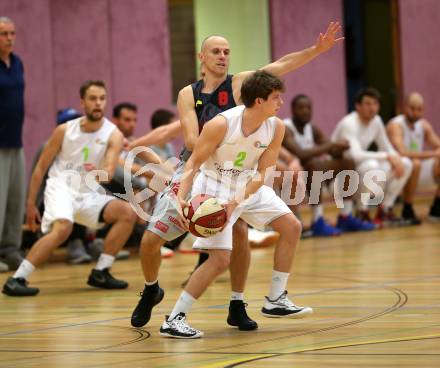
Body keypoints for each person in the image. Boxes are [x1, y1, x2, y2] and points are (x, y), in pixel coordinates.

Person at [131, 22, 343, 331]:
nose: (222, 56)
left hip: (237, 173)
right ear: (201, 57)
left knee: (239, 236)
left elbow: (280, 66)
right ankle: (151, 289)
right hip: (200, 165)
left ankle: (237, 303)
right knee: (151, 240)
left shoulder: (242, 84)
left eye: (227, 52)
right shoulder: (188, 95)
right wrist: (222, 139)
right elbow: (192, 142)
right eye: (215, 51)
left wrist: (316, 50)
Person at [160, 71, 312, 338]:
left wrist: (237, 201)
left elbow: (265, 172)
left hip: (247, 185)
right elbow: (193, 163)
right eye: (276, 98)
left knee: (292, 226)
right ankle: (174, 319)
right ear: (258, 101)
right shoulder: (220, 125)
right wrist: (181, 199)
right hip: (213, 188)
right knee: (219, 260)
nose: (280, 103)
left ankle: (275, 299)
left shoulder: (276, 127)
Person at [2, 80, 139, 296]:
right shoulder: (64, 130)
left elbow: (109, 172)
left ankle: (101, 271)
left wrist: (97, 172)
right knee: (63, 229)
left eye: (102, 99)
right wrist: (30, 204)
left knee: (128, 213)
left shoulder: (113, 134)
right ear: (82, 102)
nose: (98, 103)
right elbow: (40, 168)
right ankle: (17, 278)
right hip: (61, 186)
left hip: (88, 192)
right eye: (93, 99)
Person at [283, 94, 374, 235]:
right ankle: (317, 220)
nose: (305, 111)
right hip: (291, 175)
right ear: (292, 109)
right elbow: (301, 154)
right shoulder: (286, 128)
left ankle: (346, 216)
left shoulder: (311, 127)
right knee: (314, 164)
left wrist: (340, 148)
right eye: (301, 108)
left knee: (347, 162)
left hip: (312, 173)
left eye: (308, 107)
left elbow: (329, 148)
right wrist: (332, 145)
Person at [331, 87, 413, 226]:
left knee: (405, 163)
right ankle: (361, 211)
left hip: (358, 172)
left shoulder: (377, 121)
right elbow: (355, 155)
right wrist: (387, 156)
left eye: (375, 103)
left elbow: (386, 146)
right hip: (338, 178)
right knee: (371, 166)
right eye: (368, 104)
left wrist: (395, 158)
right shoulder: (349, 123)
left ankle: (385, 210)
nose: (372, 108)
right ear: (358, 106)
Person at [387, 92, 440, 223]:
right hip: (396, 173)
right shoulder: (396, 125)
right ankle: (407, 208)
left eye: (419, 109)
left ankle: (437, 208)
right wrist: (433, 154)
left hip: (417, 172)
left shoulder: (423, 125)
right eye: (412, 108)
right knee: (415, 163)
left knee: (417, 163)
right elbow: (402, 152)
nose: (415, 112)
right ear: (404, 107)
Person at [0, 16, 25, 272]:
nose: (9, 38)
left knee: (14, 199)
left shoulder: (17, 63)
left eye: (12, 33)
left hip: (15, 140)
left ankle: (10, 249)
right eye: (3, 34)